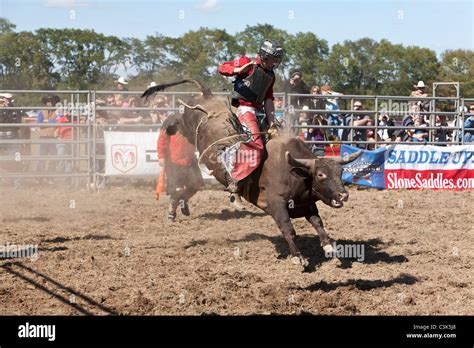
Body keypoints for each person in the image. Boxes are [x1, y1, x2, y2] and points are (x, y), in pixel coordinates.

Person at [218, 39, 283, 206]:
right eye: (272, 59)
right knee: (257, 142)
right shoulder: (247, 62)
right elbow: (222, 68)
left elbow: (268, 98)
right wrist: (238, 70)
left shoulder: (270, 75)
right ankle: (235, 184)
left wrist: (272, 121)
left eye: (276, 59)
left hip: (259, 110)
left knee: (276, 142)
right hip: (243, 107)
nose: (274, 63)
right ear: (263, 55)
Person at [157, 123, 203, 221]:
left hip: (190, 160)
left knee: (196, 184)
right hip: (174, 161)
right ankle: (171, 213)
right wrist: (161, 156)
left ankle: (184, 199)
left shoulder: (193, 122)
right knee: (176, 189)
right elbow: (162, 139)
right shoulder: (171, 122)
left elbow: (201, 138)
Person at [0, 93, 23, 187]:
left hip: (12, 135)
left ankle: (16, 182)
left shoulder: (15, 109)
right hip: (2, 135)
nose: (8, 101)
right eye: (6, 99)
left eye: (9, 99)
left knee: (15, 158)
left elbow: (17, 123)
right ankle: (5, 180)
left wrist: (5, 119)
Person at [36, 95, 60, 183]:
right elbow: (39, 123)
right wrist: (52, 122)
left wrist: (48, 121)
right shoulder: (41, 112)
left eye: (52, 100)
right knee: (42, 157)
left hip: (53, 137)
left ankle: (51, 177)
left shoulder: (57, 111)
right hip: (43, 137)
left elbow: (59, 121)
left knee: (54, 157)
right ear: (46, 102)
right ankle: (39, 178)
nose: (50, 102)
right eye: (48, 101)